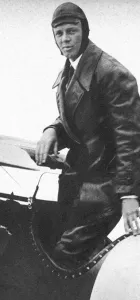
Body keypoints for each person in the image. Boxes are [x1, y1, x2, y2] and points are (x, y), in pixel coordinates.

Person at [35, 2, 140, 269]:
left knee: (63, 257)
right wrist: (53, 129)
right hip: (79, 184)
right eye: (59, 33)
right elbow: (84, 118)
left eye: (72, 31)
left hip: (107, 189)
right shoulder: (68, 71)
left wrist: (129, 196)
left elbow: (131, 138)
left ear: (85, 31)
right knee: (58, 249)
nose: (65, 39)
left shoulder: (113, 74)